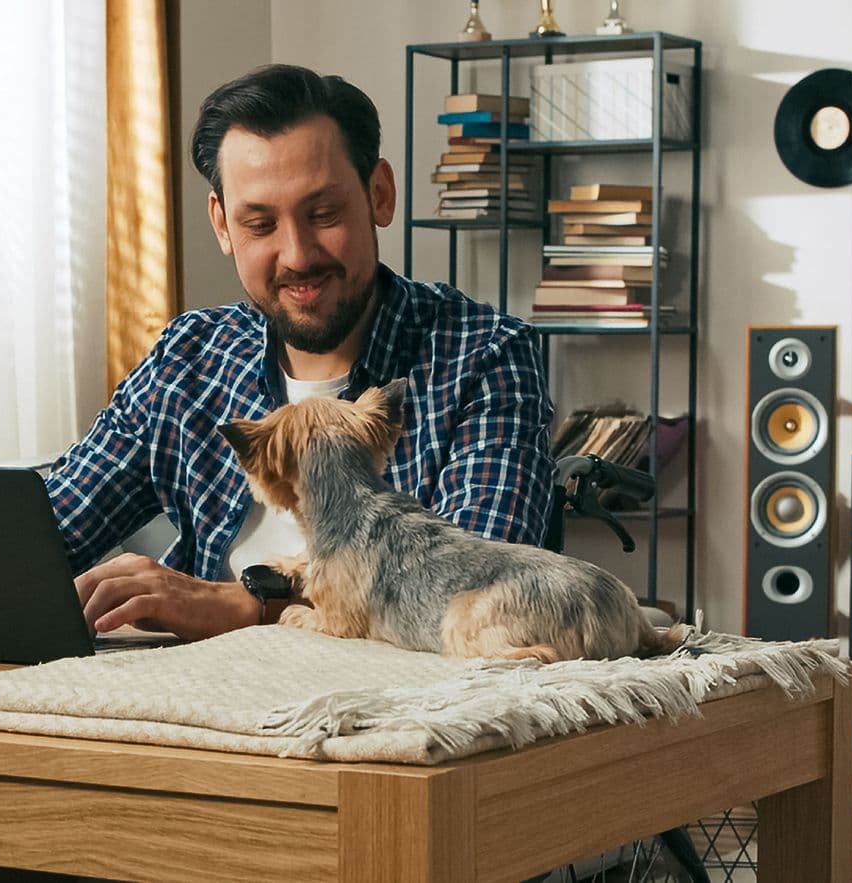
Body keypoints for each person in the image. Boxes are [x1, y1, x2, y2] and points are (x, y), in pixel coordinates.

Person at [53, 63, 556, 642]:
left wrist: (250, 604)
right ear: (222, 225)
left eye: (323, 215)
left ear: (380, 195)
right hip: (189, 708)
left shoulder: (485, 356)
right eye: (260, 223)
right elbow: (44, 535)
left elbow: (476, 595)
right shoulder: (188, 357)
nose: (297, 255)